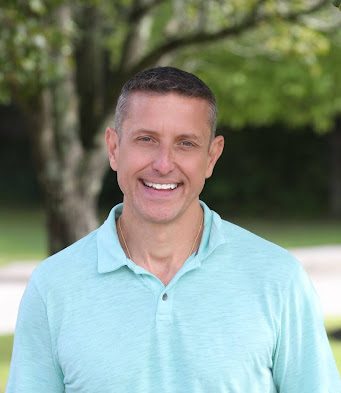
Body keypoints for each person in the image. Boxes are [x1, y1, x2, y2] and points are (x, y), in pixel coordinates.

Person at [6, 66, 340, 393]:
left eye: (185, 144)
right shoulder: (53, 286)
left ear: (211, 156)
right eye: (146, 139)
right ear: (114, 148)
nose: (164, 164)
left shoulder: (278, 279)